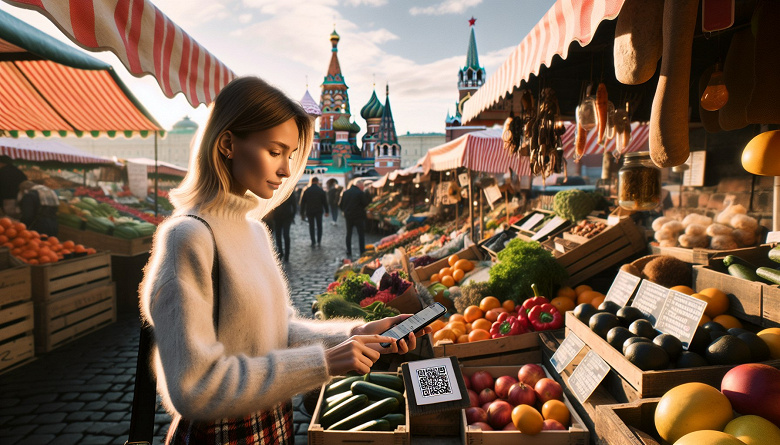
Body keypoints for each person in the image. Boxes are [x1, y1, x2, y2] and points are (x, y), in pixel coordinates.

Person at [138, 77, 427, 445]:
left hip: (274, 422)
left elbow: (279, 333)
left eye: (290, 155)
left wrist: (356, 334)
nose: (287, 170)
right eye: (275, 152)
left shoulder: (254, 231)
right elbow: (195, 388)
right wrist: (325, 363)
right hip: (223, 434)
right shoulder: (189, 237)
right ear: (227, 143)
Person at [339, 178, 372, 258]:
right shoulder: (360, 193)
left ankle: (348, 250)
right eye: (363, 186)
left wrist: (346, 211)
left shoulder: (346, 192)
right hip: (358, 216)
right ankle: (362, 250)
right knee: (361, 234)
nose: (363, 188)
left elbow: (340, 205)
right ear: (360, 185)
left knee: (349, 234)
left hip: (348, 216)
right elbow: (365, 203)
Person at [299, 176, 329, 246]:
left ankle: (313, 241)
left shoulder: (307, 190)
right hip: (319, 211)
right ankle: (319, 241)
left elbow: (302, 203)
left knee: (311, 227)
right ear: (318, 182)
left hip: (309, 211)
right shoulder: (321, 190)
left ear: (311, 181)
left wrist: (302, 213)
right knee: (319, 226)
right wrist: (327, 211)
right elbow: (325, 202)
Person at [272, 192, 296, 262]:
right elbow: (294, 205)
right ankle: (281, 252)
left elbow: (294, 205)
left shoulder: (278, 192)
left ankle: (284, 254)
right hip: (280, 217)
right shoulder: (287, 192)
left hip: (284, 217)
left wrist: (292, 216)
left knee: (284, 235)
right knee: (280, 235)